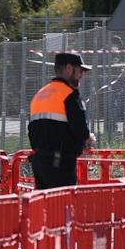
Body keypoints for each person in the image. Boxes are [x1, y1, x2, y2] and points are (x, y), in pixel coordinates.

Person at [27, 52, 94, 189]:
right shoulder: (69, 94)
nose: (82, 75)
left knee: (45, 207)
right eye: (80, 70)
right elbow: (79, 127)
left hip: (39, 161)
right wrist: (88, 139)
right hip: (61, 163)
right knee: (64, 207)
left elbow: (32, 130)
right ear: (69, 69)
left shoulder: (40, 94)